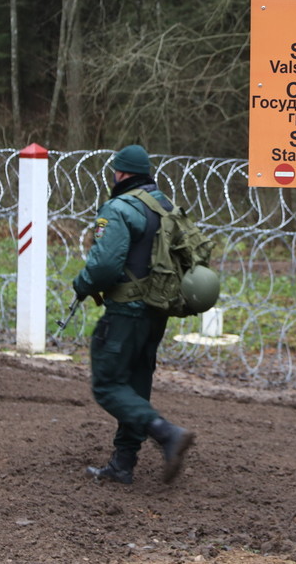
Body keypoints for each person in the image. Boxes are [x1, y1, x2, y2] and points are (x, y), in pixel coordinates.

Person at [73, 144, 195, 485]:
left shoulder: (119, 208)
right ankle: (122, 463)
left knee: (109, 384)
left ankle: (166, 433)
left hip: (126, 311)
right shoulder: (165, 207)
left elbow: (103, 267)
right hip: (157, 310)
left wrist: (82, 283)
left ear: (121, 173)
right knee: (136, 385)